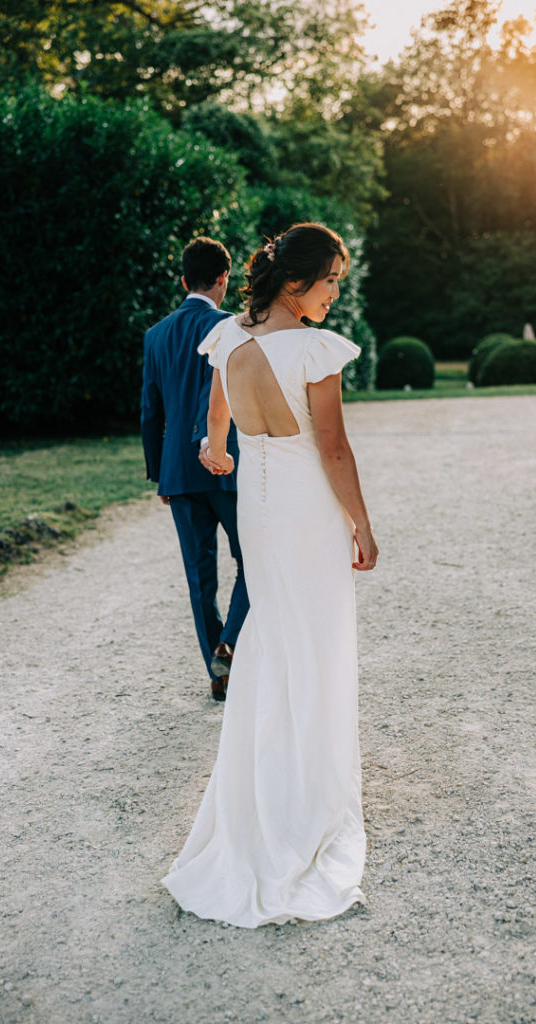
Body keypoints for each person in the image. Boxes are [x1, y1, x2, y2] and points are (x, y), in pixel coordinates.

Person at [162, 223, 379, 927]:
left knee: (274, 638)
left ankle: (264, 786)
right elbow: (334, 447)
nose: (333, 294)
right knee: (313, 643)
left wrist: (215, 446)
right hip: (303, 508)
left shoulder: (227, 335)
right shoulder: (312, 348)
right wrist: (362, 524)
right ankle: (304, 796)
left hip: (257, 505)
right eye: (329, 282)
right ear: (296, 282)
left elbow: (217, 408)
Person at [141, 236, 249, 701]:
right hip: (228, 466)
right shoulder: (232, 328)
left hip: (179, 474)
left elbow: (151, 411)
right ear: (223, 279)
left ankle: (218, 672)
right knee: (254, 561)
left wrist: (157, 473)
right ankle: (230, 644)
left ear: (184, 280)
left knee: (198, 575)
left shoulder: (156, 335)